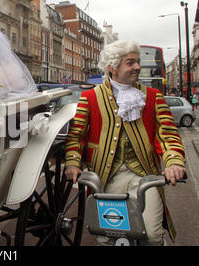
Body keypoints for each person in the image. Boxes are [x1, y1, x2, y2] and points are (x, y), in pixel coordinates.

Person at [64, 40, 185, 246]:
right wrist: (73, 162)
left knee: (152, 236)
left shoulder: (153, 97)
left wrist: (174, 161)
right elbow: (76, 136)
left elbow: (168, 133)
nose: (137, 67)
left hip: (146, 176)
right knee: (109, 238)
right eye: (130, 63)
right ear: (112, 67)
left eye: (137, 62)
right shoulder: (90, 98)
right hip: (108, 177)